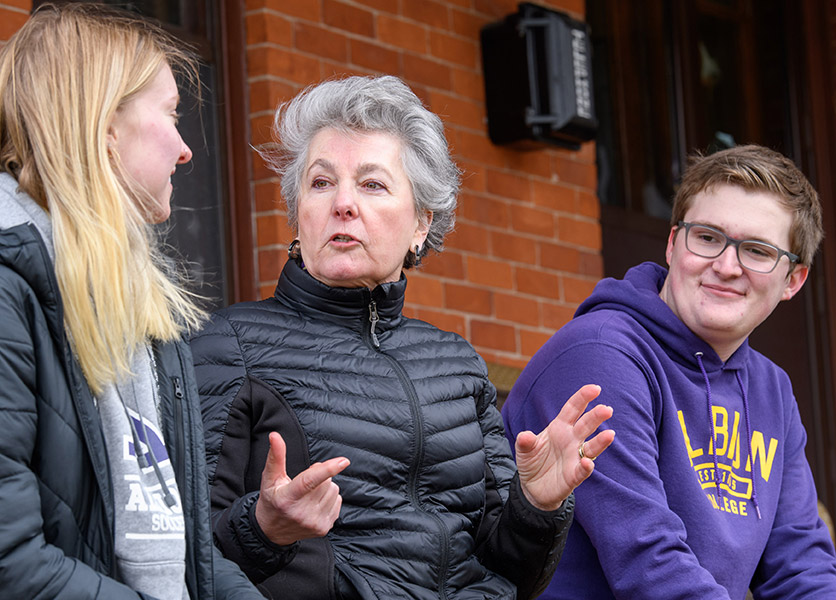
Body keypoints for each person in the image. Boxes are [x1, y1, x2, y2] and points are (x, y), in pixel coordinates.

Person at [190, 75, 615, 600]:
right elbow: (189, 555)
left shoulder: (456, 364)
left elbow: (512, 571)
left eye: (372, 184)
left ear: (421, 224)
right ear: (297, 215)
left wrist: (537, 504)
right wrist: (263, 527)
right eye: (321, 183)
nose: (342, 203)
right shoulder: (228, 347)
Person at [0, 4, 263, 599]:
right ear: (103, 128)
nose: (186, 149)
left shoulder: (134, 314)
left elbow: (187, 557)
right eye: (170, 115)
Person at [502, 144, 836, 599]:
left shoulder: (771, 389)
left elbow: (802, 566)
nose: (725, 266)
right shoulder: (601, 353)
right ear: (673, 242)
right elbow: (649, 564)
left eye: (756, 251)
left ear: (793, 280)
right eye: (707, 237)